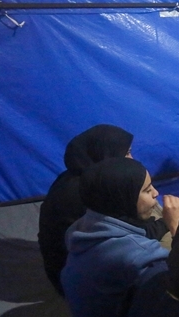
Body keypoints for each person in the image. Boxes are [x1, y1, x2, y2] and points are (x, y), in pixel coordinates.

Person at [62, 157, 179, 317]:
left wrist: (165, 221)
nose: (156, 193)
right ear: (123, 197)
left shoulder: (87, 223)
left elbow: (143, 230)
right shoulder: (135, 255)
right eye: (147, 190)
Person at [38, 124, 133, 296]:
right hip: (77, 284)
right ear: (106, 155)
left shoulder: (71, 177)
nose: (131, 159)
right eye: (126, 153)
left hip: (66, 269)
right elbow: (125, 236)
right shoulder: (90, 193)